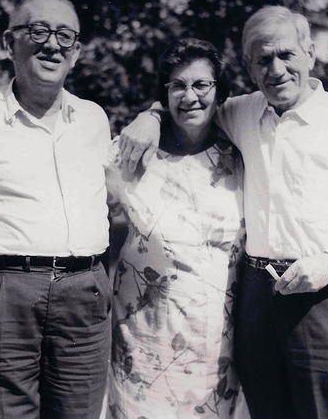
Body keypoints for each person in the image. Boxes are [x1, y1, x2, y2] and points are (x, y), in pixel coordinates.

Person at [117, 6, 328, 419]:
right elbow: (191, 103)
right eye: (263, 59)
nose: (276, 69)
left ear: (310, 53)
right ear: (248, 67)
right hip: (256, 298)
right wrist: (151, 116)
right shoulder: (240, 113)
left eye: (286, 55)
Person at [0, 0, 112, 419]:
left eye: (65, 35)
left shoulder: (94, 118)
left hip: (84, 292)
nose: (52, 44)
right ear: (8, 42)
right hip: (4, 291)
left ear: (76, 53)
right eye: (38, 31)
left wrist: (154, 114)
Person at [106, 38, 249, 418]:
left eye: (201, 84)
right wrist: (150, 116)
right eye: (177, 85)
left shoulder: (240, 157)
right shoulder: (132, 151)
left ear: (219, 91)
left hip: (215, 347)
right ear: (164, 93)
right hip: (143, 343)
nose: (190, 96)